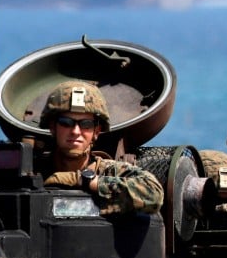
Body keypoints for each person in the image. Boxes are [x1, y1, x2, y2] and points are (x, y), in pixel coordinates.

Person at [38, 80, 163, 216]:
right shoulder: (33, 170)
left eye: (86, 124)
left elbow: (153, 195)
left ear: (96, 131)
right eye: (66, 122)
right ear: (52, 127)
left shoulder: (110, 171)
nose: (75, 131)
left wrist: (82, 180)